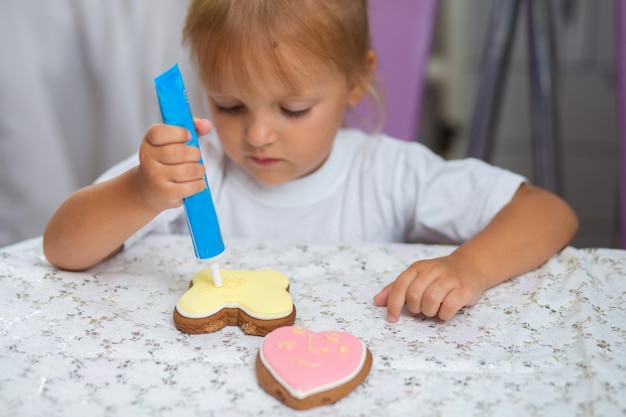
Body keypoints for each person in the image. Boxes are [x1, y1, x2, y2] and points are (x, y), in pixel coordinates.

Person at [43, 0, 578, 322]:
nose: (255, 133)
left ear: (355, 81)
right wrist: (140, 192)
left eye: (293, 108)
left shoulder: (388, 173)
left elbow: (550, 212)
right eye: (228, 104)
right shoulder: (193, 168)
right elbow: (62, 248)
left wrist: (469, 267)